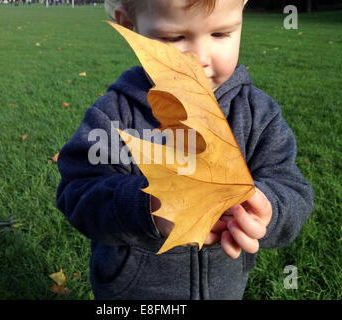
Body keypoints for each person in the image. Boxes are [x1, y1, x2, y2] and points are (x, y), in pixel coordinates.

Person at [56, 0, 314, 300]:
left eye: (220, 34)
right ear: (130, 26)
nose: (200, 59)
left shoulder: (257, 114)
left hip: (225, 290)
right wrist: (148, 207)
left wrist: (268, 210)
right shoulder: (114, 116)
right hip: (135, 294)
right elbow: (77, 193)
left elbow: (293, 188)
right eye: (174, 38)